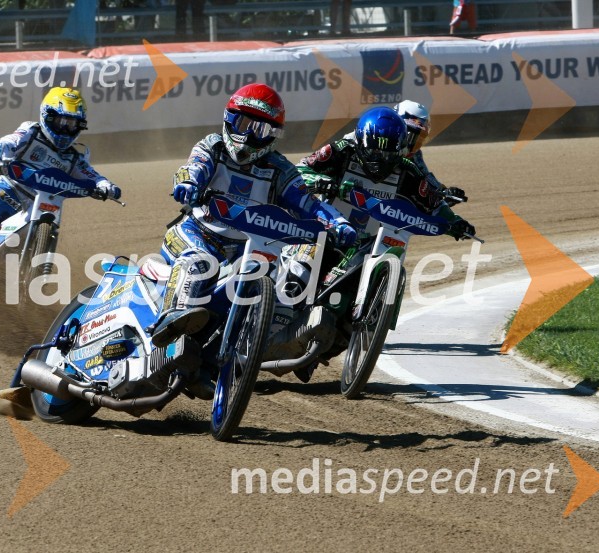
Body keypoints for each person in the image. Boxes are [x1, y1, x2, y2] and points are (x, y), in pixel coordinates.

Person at [150, 83, 357, 398]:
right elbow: (193, 168)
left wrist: (336, 221)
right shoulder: (213, 146)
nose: (248, 135)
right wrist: (189, 183)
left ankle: (206, 363)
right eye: (243, 123)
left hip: (240, 250)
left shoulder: (279, 169)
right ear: (229, 118)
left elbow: (308, 202)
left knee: (252, 291)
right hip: (194, 232)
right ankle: (172, 320)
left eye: (259, 129)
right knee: (199, 264)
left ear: (272, 135)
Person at [0, 87, 120, 257]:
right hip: (8, 191)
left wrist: (105, 186)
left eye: (71, 124)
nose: (65, 129)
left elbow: (91, 175)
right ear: (47, 116)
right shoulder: (31, 132)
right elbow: (7, 142)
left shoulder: (75, 156)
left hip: (45, 204)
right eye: (61, 122)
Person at [297, 105, 475, 241]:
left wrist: (455, 222)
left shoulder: (408, 169)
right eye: (375, 152)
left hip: (373, 242)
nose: (381, 160)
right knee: (299, 271)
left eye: (389, 154)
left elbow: (433, 204)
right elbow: (300, 169)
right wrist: (320, 181)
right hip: (327, 229)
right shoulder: (342, 150)